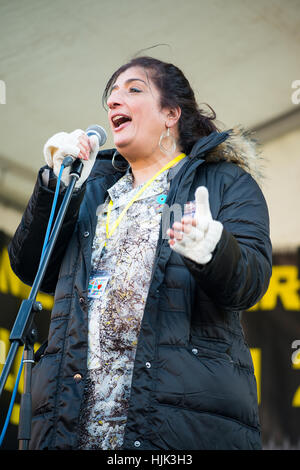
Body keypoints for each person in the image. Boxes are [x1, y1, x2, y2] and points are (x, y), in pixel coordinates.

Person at [8, 56, 272, 450]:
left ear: (171, 114)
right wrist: (56, 186)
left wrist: (213, 250)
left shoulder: (225, 182)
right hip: (76, 428)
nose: (114, 101)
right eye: (110, 95)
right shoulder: (92, 189)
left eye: (133, 90)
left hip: (173, 425)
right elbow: (31, 268)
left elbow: (249, 282)